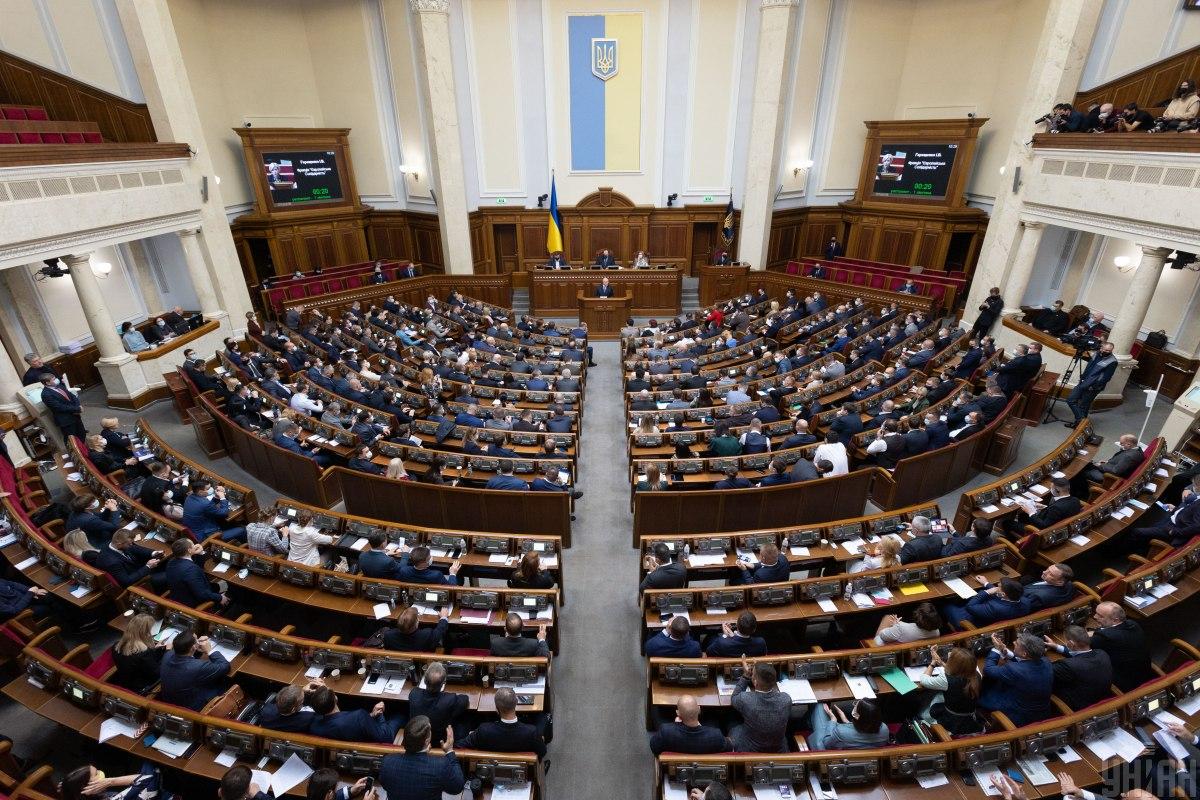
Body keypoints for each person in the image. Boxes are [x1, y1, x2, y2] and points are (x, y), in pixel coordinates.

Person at [378, 716, 465, 800]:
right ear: (427, 741)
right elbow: (457, 787)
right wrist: (449, 751)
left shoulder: (387, 762)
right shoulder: (440, 766)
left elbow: (385, 784)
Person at [978, 632, 1053, 726]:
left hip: (1020, 716)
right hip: (1042, 711)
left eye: (1017, 644)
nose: (1014, 642)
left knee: (985, 685)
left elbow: (988, 670)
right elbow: (1024, 661)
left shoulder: (1013, 669)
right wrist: (1004, 651)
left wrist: (996, 650)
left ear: (1024, 653)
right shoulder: (1046, 661)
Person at [460, 687, 547, 758]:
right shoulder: (532, 732)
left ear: (497, 709)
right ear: (516, 703)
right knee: (542, 717)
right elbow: (542, 752)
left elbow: (461, 745)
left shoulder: (484, 730)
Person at [916, 646, 983, 735]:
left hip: (951, 720)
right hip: (970, 717)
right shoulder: (976, 675)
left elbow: (923, 680)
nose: (949, 654)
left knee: (928, 701)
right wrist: (941, 663)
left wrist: (933, 663)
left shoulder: (946, 679)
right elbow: (959, 671)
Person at [730, 658, 792, 753]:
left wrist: (746, 676)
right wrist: (760, 669)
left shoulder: (746, 700)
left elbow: (734, 697)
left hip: (750, 750)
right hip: (778, 749)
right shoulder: (786, 699)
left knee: (731, 723)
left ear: (754, 682)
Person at [1045, 625, 1113, 710]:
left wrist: (1035, 653)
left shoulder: (1067, 666)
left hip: (1078, 708)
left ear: (1071, 644)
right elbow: (1082, 654)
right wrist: (1057, 647)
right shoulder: (1102, 654)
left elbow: (1043, 671)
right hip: (1102, 700)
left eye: (1066, 642)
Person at [1088, 601, 1153, 691]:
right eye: (1096, 613)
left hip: (1124, 684)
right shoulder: (1133, 624)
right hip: (1145, 673)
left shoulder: (1104, 637)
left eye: (1100, 616)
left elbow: (1085, 647)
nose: (1095, 617)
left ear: (1115, 620)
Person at [159, 630, 230, 710]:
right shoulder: (197, 666)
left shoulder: (168, 655)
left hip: (170, 701)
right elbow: (225, 666)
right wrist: (209, 651)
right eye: (197, 640)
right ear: (193, 647)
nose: (199, 640)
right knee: (224, 680)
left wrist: (196, 650)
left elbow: (185, 656)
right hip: (189, 708)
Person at [1126, 473, 1200, 550]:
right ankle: (1144, 544)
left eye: (1194, 484)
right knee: (1151, 525)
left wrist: (1174, 532)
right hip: (1174, 519)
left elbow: (1197, 526)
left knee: (1136, 531)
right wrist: (1175, 509)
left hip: (1174, 527)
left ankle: (1125, 552)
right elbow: (1190, 510)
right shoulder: (1198, 497)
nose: (1193, 486)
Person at [308, 685, 402, 743]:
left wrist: (371, 716)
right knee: (400, 713)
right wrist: (380, 714)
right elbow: (386, 737)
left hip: (356, 736)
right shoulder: (358, 716)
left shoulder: (314, 726)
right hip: (381, 736)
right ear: (335, 698)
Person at [407, 662, 470, 747]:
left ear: (425, 680)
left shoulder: (414, 693)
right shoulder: (449, 699)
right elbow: (465, 699)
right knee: (466, 719)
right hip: (440, 741)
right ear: (443, 682)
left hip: (419, 739)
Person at [649, 695, 731, 755]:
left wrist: (675, 725)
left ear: (677, 713)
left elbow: (654, 747)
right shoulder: (715, 735)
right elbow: (730, 747)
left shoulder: (666, 731)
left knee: (656, 709)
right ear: (699, 709)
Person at [163, 538, 228, 609]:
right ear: (189, 550)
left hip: (182, 594)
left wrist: (201, 553)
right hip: (192, 603)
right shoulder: (191, 569)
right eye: (193, 545)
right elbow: (202, 595)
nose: (195, 546)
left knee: (220, 585)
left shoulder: (171, 562)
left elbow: (194, 568)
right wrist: (220, 597)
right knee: (229, 594)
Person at [1004, 476, 1081, 535]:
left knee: (1007, 523)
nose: (1051, 490)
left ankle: (1018, 539)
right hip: (1058, 522)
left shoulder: (1056, 508)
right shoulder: (1076, 500)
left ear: (1057, 491)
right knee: (1023, 514)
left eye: (1051, 488)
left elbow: (1043, 526)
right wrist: (1045, 507)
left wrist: (1031, 512)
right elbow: (1061, 510)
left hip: (1040, 530)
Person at [109, 612, 166, 694]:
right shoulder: (144, 653)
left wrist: (155, 649)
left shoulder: (116, 646)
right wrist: (167, 652)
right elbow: (157, 674)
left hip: (127, 682)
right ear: (144, 633)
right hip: (143, 688)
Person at [942, 576, 1028, 629]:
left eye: (999, 586)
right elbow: (1000, 594)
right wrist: (986, 583)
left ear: (1003, 594)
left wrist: (987, 592)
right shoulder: (1025, 601)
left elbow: (970, 606)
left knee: (945, 603)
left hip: (971, 621)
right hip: (990, 616)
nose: (997, 586)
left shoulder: (995, 608)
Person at [1066, 341, 1117, 426]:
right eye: (1104, 349)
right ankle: (1082, 422)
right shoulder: (1096, 354)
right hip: (1083, 382)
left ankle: (1079, 424)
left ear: (1111, 350)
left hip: (1093, 387)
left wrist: (1094, 386)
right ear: (1101, 348)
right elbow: (1091, 365)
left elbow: (1106, 378)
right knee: (1071, 400)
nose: (1106, 352)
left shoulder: (1112, 362)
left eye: (1108, 350)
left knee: (1084, 406)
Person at [807, 698, 889, 750]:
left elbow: (825, 742)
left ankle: (808, 722)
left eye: (855, 706)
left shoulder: (840, 732)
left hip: (832, 754)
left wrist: (833, 721)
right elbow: (864, 729)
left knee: (819, 704)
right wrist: (846, 721)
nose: (854, 706)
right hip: (862, 756)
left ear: (856, 715)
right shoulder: (884, 729)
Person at [1074, 433, 1143, 491]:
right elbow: (1121, 463)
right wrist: (1107, 462)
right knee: (1089, 464)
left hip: (1109, 477)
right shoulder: (1138, 450)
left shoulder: (1129, 456)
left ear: (1129, 444)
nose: (1121, 446)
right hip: (1111, 467)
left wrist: (1100, 465)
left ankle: (1080, 491)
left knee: (1080, 471)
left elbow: (1115, 471)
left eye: (1122, 444)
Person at [94, 529, 162, 588]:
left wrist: (153, 552)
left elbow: (135, 548)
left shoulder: (113, 543)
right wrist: (148, 567)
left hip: (139, 569)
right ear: (119, 544)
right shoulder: (113, 563)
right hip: (139, 582)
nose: (131, 545)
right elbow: (127, 581)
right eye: (129, 544)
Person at [59, 764, 163, 800]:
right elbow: (150, 778)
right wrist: (111, 781)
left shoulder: (75, 795)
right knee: (153, 768)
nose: (100, 772)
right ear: (87, 789)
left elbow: (66, 785)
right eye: (96, 774)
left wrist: (66, 786)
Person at [384, 605, 450, 652]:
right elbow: (440, 630)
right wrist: (444, 617)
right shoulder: (427, 635)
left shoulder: (388, 635)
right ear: (416, 623)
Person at [40, 373, 85, 440]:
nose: (56, 380)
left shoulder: (59, 386)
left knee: (82, 434)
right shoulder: (46, 394)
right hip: (66, 419)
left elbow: (72, 396)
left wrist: (78, 405)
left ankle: (84, 450)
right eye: (54, 379)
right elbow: (59, 407)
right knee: (72, 440)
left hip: (75, 415)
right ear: (47, 383)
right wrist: (76, 408)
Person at [873, 602, 941, 645]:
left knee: (888, 617)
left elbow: (882, 635)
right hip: (906, 647)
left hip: (883, 647)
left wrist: (895, 626)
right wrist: (897, 625)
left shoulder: (901, 627)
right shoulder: (936, 632)